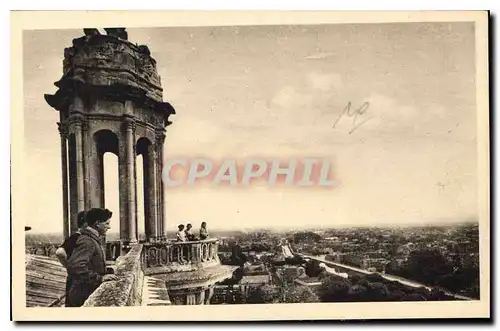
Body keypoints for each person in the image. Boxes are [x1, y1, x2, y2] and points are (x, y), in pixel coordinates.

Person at [66, 208, 117, 307]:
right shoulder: (87, 241)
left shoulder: (91, 238)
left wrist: (106, 271)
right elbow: (76, 267)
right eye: (107, 223)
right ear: (97, 223)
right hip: (83, 296)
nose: (109, 227)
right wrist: (99, 278)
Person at [55, 211, 87, 307]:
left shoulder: (74, 237)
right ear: (85, 224)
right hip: (78, 282)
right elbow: (59, 253)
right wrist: (70, 267)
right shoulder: (78, 238)